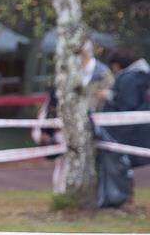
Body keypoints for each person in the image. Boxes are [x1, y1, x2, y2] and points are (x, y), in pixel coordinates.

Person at [32, 39, 113, 194]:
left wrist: (102, 95)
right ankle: (62, 194)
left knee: (87, 160)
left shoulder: (102, 73)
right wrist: (46, 131)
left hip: (92, 124)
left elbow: (111, 97)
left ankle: (82, 193)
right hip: (66, 124)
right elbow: (53, 101)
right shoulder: (67, 72)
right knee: (63, 161)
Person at [101, 46, 150, 168]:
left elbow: (127, 105)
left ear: (117, 64)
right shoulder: (143, 74)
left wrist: (109, 96)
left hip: (129, 132)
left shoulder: (128, 79)